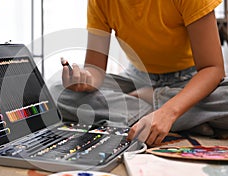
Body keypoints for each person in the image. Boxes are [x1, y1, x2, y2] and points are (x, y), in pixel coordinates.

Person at [55, 0, 228, 146]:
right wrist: (85, 80)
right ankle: (192, 119)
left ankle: (156, 109)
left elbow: (213, 68)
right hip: (138, 79)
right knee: (57, 93)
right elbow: (96, 69)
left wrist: (167, 111)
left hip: (191, 80)